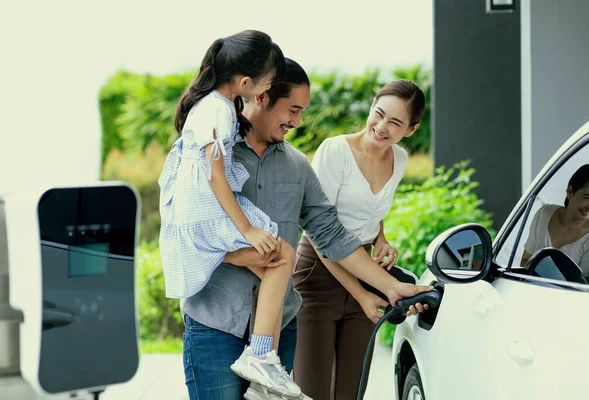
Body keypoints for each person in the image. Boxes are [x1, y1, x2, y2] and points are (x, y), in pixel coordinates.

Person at [175, 57, 432, 400]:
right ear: (263, 97)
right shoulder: (214, 155)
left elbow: (331, 232)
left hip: (282, 327)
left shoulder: (297, 166)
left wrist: (391, 286)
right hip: (215, 326)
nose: (298, 121)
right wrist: (238, 254)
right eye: (293, 110)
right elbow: (186, 227)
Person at [158, 31, 306, 398]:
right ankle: (260, 357)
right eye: (268, 82)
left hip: (196, 211)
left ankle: (261, 367)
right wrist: (247, 228)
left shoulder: (212, 106)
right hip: (206, 210)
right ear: (245, 82)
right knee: (283, 254)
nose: (268, 88)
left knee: (270, 262)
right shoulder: (217, 110)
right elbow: (215, 174)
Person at [292, 79, 426, 399]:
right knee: (312, 391)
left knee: (352, 390)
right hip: (319, 272)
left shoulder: (401, 159)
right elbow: (321, 230)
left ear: (411, 129)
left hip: (367, 272)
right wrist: (362, 293)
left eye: (395, 122)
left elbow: (373, 206)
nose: (381, 127)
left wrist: (381, 238)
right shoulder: (336, 151)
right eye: (378, 114)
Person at [521, 163, 589, 279]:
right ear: (570, 191)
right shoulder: (544, 213)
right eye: (587, 197)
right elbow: (525, 261)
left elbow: (581, 284)